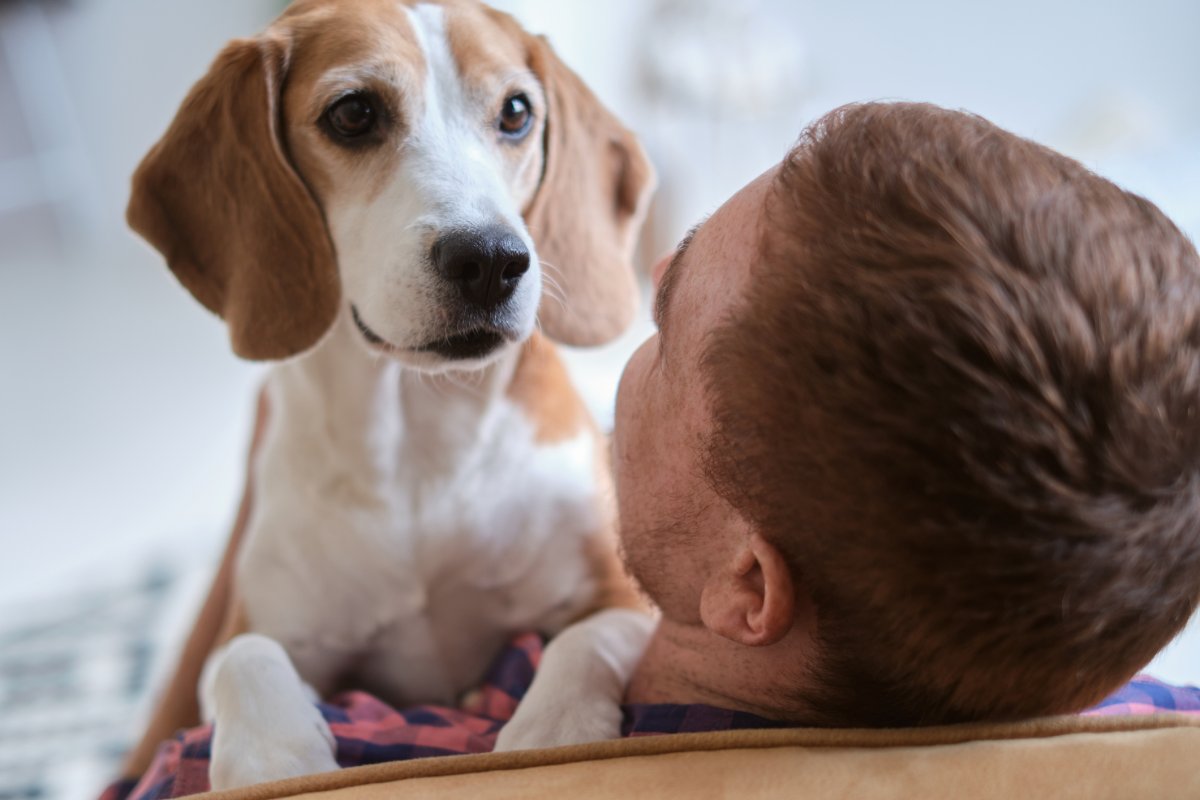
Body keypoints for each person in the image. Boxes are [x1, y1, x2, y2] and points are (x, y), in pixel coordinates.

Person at [105, 102, 1200, 799]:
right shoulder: (1162, 725)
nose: (620, 345)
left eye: (667, 329)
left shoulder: (346, 761)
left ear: (749, 580)